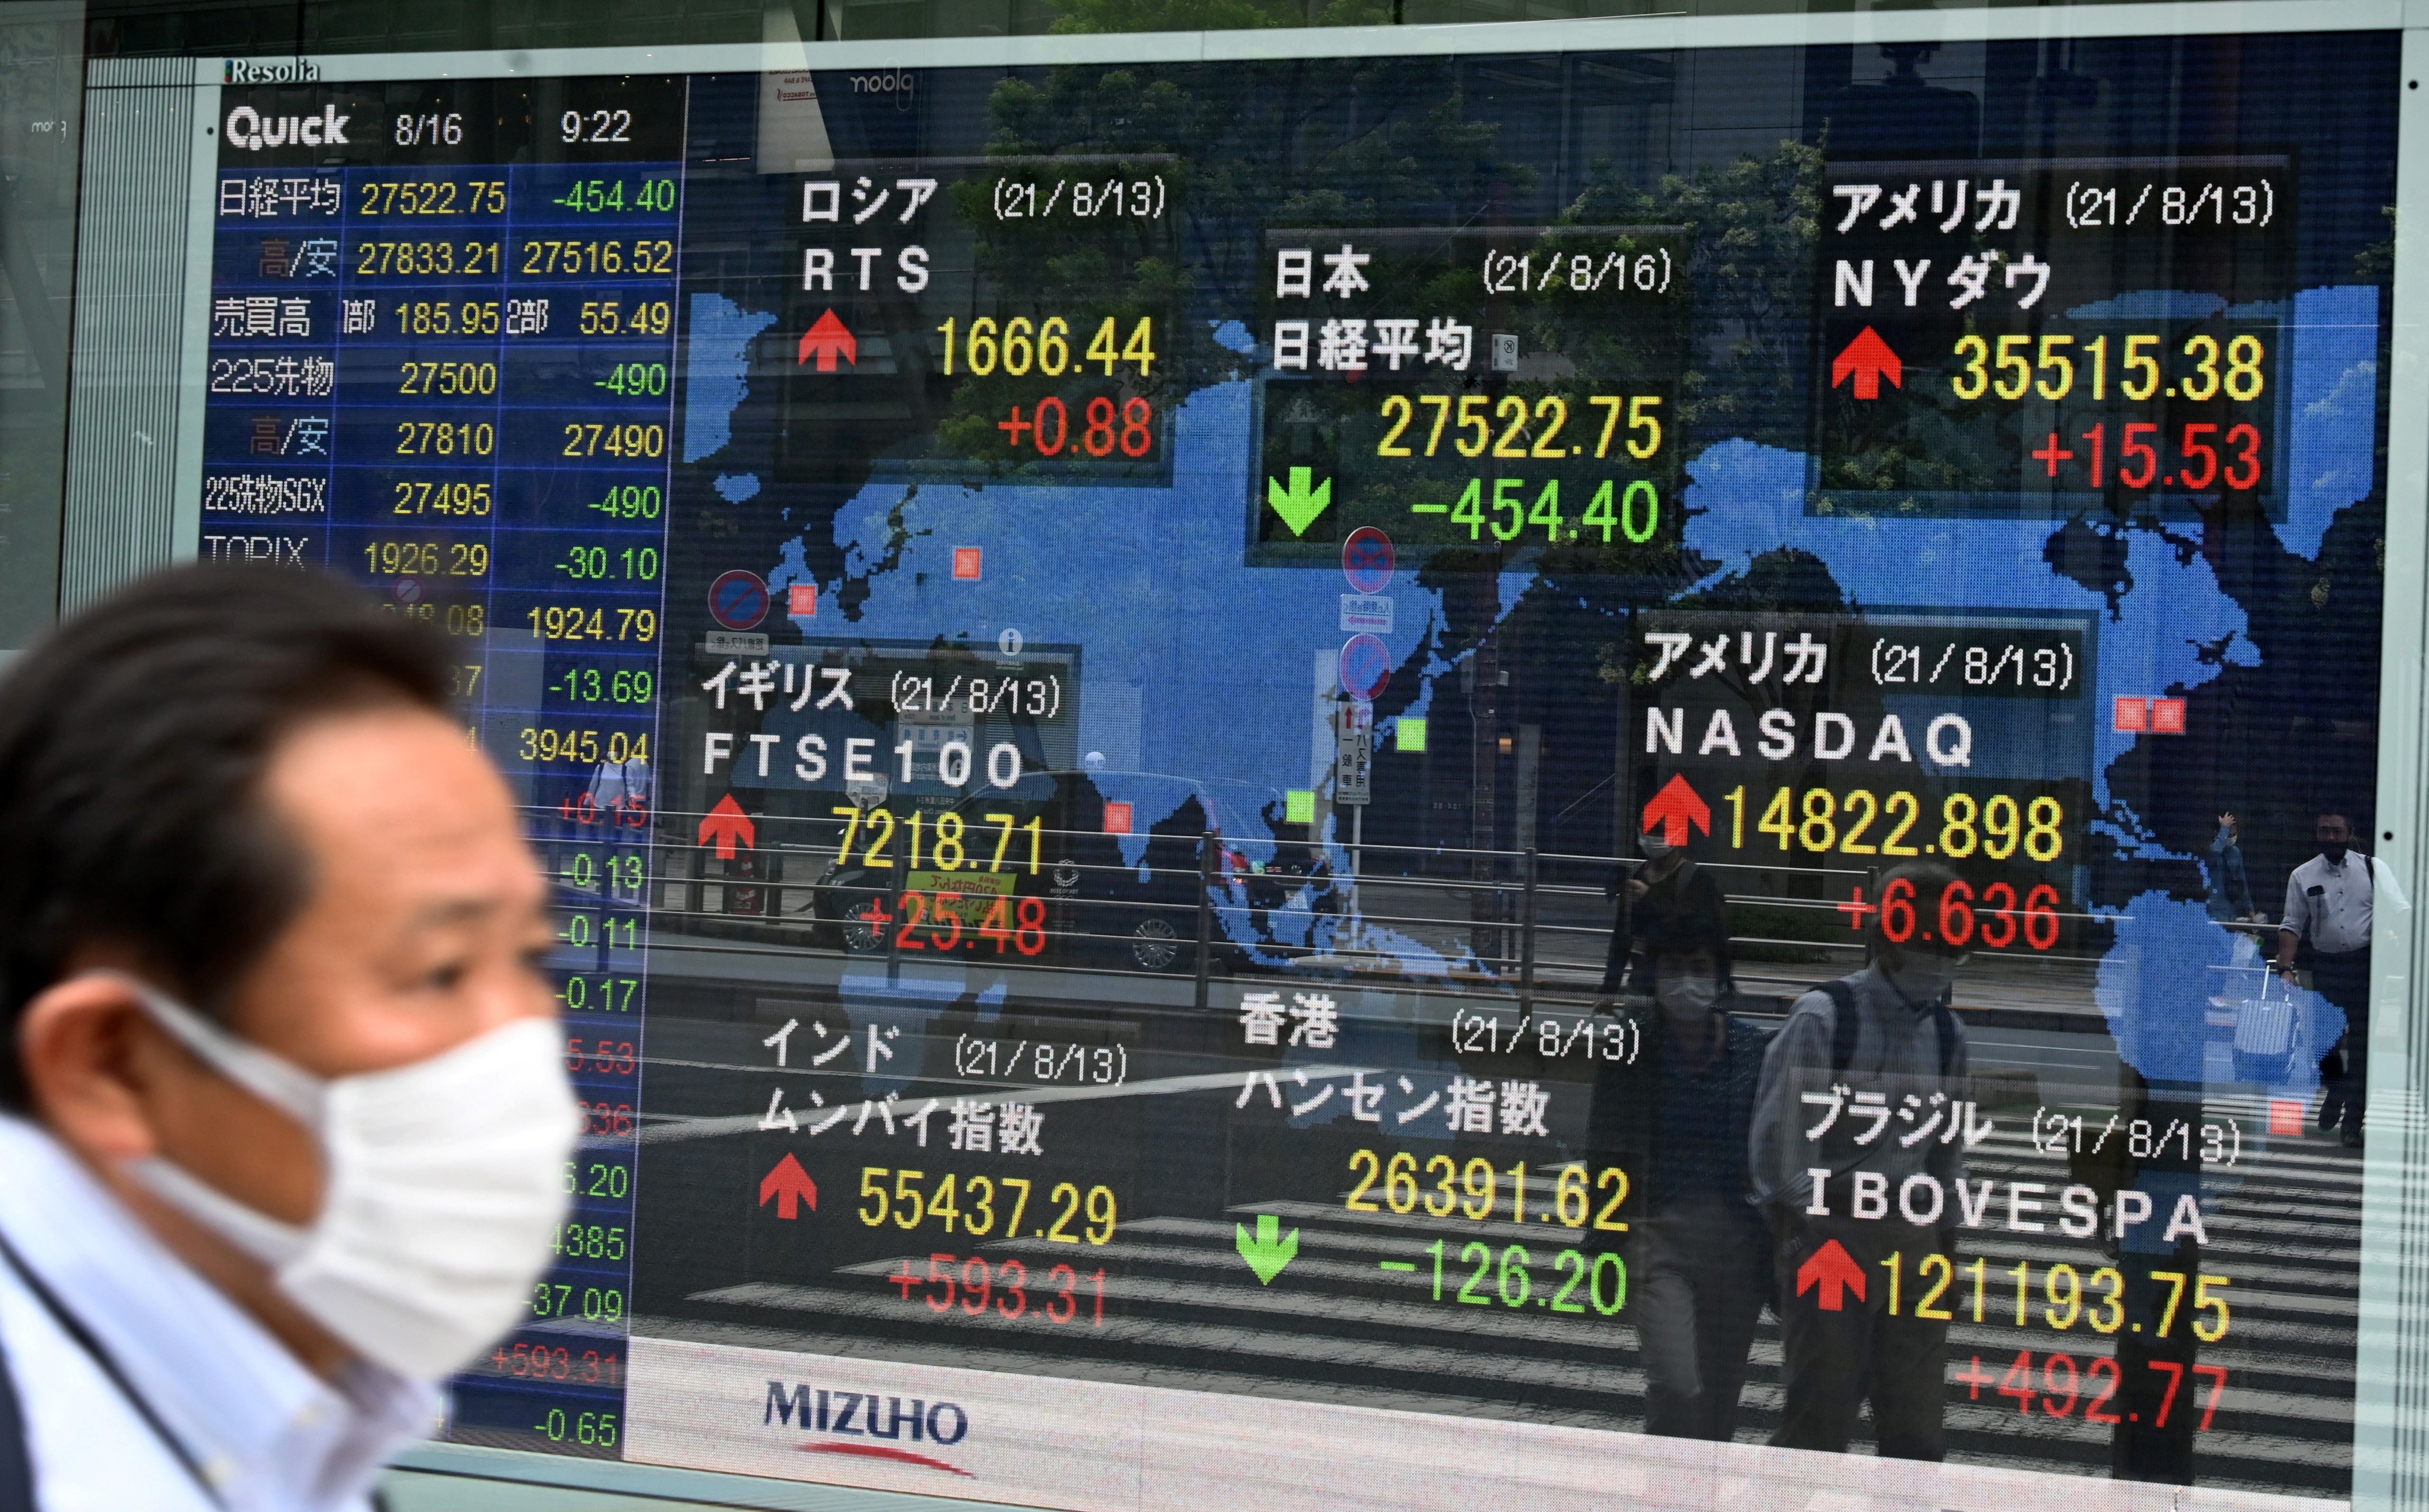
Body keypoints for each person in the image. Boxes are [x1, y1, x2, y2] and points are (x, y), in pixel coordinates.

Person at [0, 563, 580, 1510]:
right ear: (112, 1062)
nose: (521, 1036)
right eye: (439, 971)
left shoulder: (298, 1435)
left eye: (527, 957)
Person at [1748, 860, 1971, 1461]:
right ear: (1882, 936)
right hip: (1830, 1239)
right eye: (1922, 939)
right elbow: (1780, 1162)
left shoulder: (1948, 1035)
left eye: (1949, 941)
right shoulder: (1823, 1020)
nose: (1938, 954)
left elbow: (1946, 1161)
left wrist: (1948, 1257)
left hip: (1913, 1242)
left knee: (1918, 1434)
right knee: (1818, 1424)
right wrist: (1797, 1248)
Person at [1621, 909, 1771, 1441]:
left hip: (1738, 1251)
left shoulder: (1754, 1050)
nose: (1686, 980)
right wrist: (1606, 1236)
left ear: (1720, 974)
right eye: (1672, 967)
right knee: (1677, 1387)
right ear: (1653, 975)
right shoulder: (1632, 1046)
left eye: (1699, 966)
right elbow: (1605, 1146)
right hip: (1657, 1242)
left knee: (1719, 1400)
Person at [2278, 810, 2372, 1146]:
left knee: (2363, 1051)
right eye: (2324, 831)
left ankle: (2352, 1126)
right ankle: (2336, 1090)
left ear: (2349, 832)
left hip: (2364, 967)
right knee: (2324, 1045)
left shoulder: (2372, 870)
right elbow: (2291, 925)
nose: (2330, 837)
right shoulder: (2302, 875)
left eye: (2336, 831)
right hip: (2326, 967)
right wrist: (2285, 969)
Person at [1600, 820, 1727, 997]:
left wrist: (1650, 898)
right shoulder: (1634, 876)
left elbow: (1702, 931)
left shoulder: (1696, 880)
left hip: (1681, 986)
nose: (1652, 837)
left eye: (1659, 831)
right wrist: (1609, 990)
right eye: (1646, 829)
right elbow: (1621, 939)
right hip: (1641, 984)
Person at [2206, 812, 2256, 922]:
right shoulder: (2212, 850)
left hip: (2231, 910)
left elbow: (2242, 882)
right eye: (2229, 835)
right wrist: (2224, 828)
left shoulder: (2235, 852)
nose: (2232, 838)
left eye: (2234, 834)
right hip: (2213, 910)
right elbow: (2216, 851)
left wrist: (2251, 911)